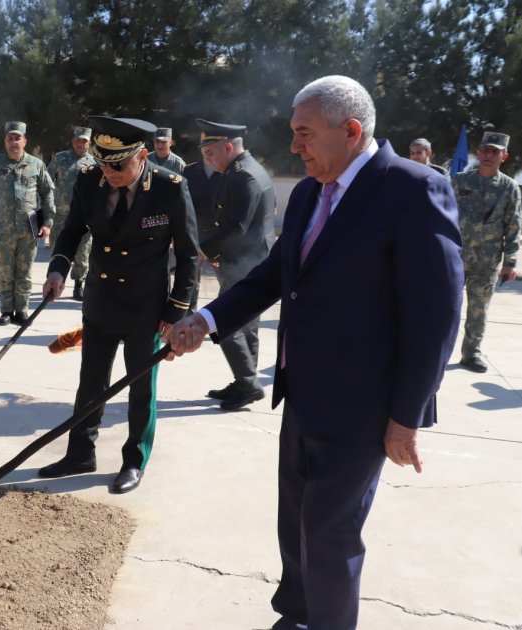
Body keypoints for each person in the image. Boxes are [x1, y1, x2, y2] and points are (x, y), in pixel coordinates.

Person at [166, 76, 463, 629]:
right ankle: (298, 615)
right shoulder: (307, 193)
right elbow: (275, 276)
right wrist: (205, 320)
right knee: (296, 524)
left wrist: (406, 417)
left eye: (304, 134)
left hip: (364, 409)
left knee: (330, 533)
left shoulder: (413, 189)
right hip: (302, 394)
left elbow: (437, 316)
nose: (295, 147)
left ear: (350, 131)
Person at [39, 116, 199, 494]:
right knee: (90, 383)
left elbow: (190, 256)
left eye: (118, 165)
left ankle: (134, 460)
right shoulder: (88, 181)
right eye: (103, 163)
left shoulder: (169, 188)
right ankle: (80, 453)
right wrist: (58, 271)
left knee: (141, 388)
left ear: (141, 156)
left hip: (148, 308)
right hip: (101, 299)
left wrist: (175, 313)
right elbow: (71, 231)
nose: (109, 172)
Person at [197, 120, 276, 410]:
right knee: (246, 324)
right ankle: (245, 381)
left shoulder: (244, 177)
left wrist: (203, 250)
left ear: (228, 147)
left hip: (246, 260)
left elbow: (236, 227)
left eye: (210, 153)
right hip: (247, 258)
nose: (208, 160)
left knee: (225, 320)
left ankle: (248, 382)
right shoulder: (241, 170)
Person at [451, 131, 521, 373]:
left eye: (495, 151)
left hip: (487, 261)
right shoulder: (461, 181)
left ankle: (471, 354)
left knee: (478, 310)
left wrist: (510, 262)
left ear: (504, 156)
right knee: (446, 306)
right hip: (456, 256)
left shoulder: (509, 188)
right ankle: (436, 349)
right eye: (486, 150)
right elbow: (444, 215)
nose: (489, 155)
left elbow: (514, 225)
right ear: (478, 153)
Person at [0, 121, 55, 325]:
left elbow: (47, 194)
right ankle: (6, 311)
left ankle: (22, 311)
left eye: (17, 138)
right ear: (5, 141)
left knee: (25, 271)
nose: (13, 142)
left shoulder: (36, 165)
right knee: (6, 272)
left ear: (25, 141)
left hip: (29, 230)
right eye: (10, 138)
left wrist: (47, 223)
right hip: (4, 230)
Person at [47, 126, 94, 300]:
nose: (80, 143)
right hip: (60, 215)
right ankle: (56, 280)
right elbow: (47, 181)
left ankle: (78, 285)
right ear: (72, 141)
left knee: (83, 253)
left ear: (89, 143)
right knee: (58, 249)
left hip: (83, 217)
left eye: (84, 141)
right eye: (77, 140)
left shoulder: (94, 162)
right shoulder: (60, 158)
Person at [182, 133, 222, 310]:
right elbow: (181, 203)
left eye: (211, 149)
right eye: (205, 149)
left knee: (227, 282)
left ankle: (220, 325)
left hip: (220, 235)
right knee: (191, 282)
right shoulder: (189, 172)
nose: (208, 153)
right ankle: (189, 320)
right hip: (194, 233)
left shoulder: (227, 172)